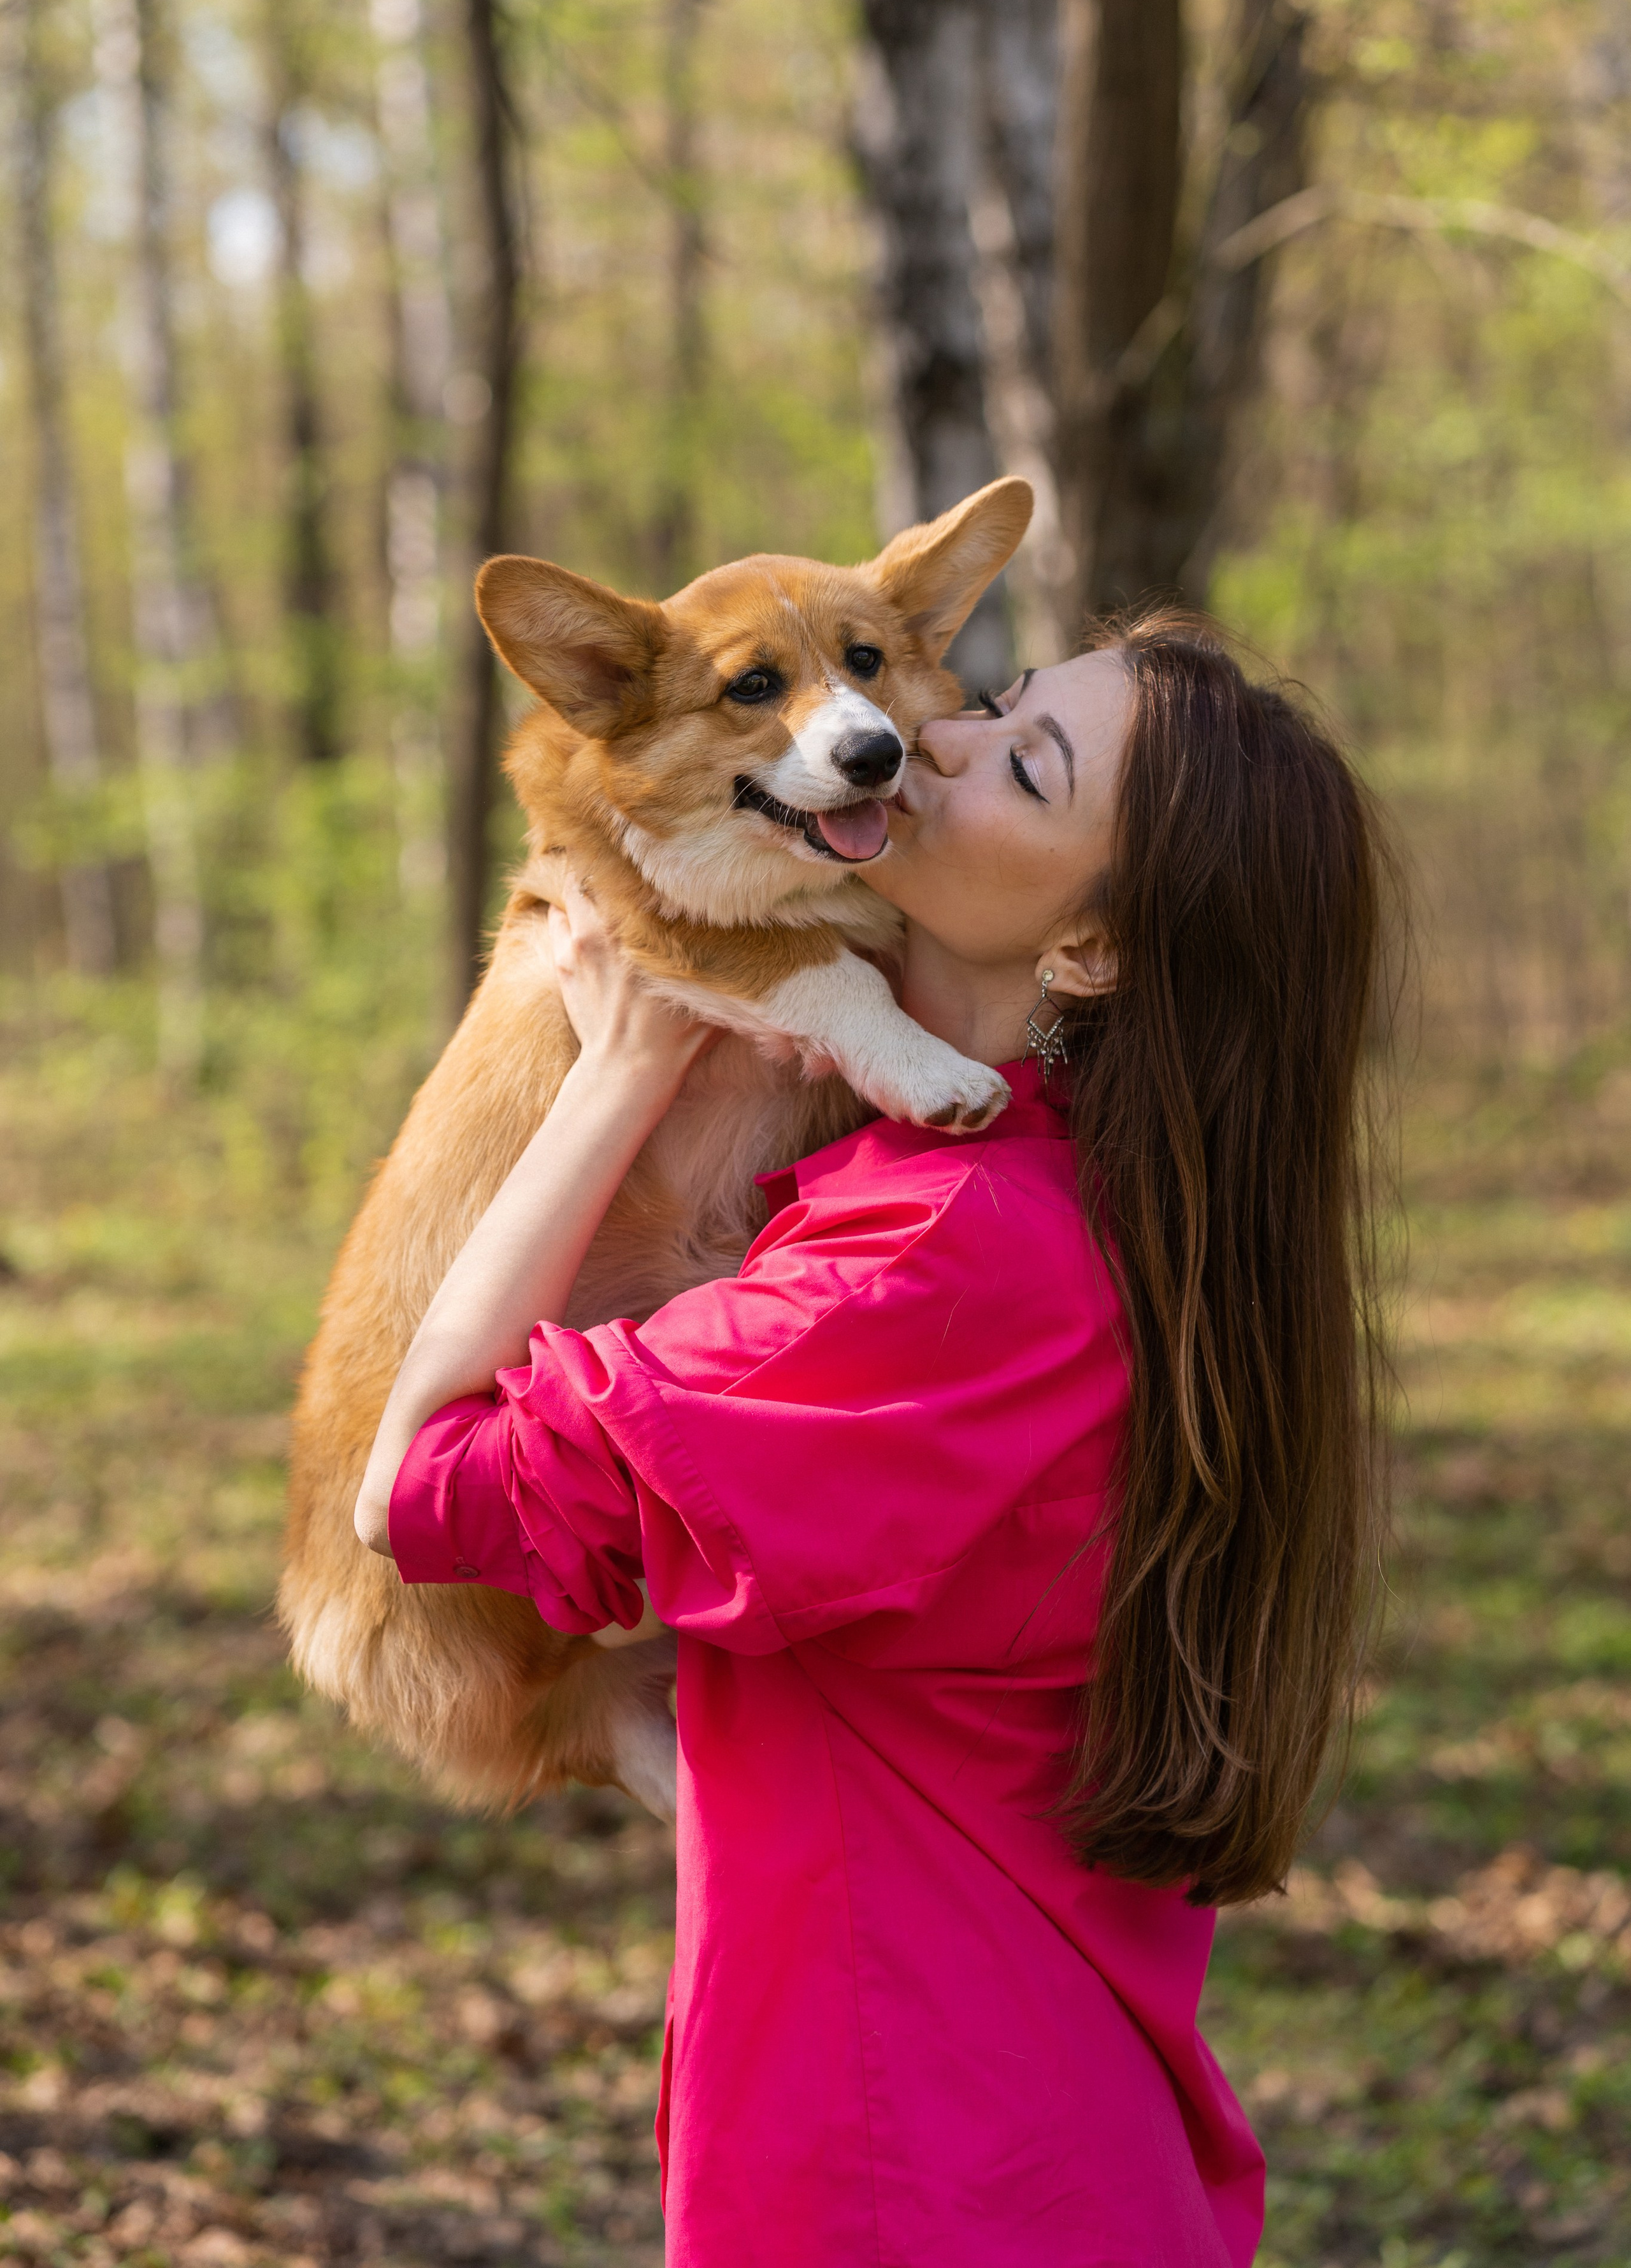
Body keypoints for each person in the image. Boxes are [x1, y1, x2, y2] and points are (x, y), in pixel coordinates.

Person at [353, 609, 1394, 2268]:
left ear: (1092, 950)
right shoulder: (1010, 1194)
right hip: (1013, 2148)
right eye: (987, 701)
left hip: (905, 2177)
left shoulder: (930, 1268)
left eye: (1021, 761)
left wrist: (620, 1063)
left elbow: (418, 1485)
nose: (930, 731)